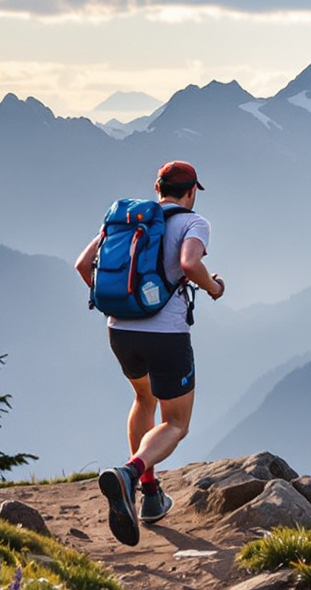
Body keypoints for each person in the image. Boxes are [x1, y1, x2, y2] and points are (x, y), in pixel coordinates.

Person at [76, 160, 224, 545]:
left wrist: (124, 303)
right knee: (176, 423)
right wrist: (213, 287)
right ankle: (130, 473)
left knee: (143, 399)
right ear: (191, 191)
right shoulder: (194, 222)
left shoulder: (126, 220)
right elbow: (190, 263)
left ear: (157, 188)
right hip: (166, 336)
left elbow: (82, 266)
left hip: (119, 330)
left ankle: (151, 494)